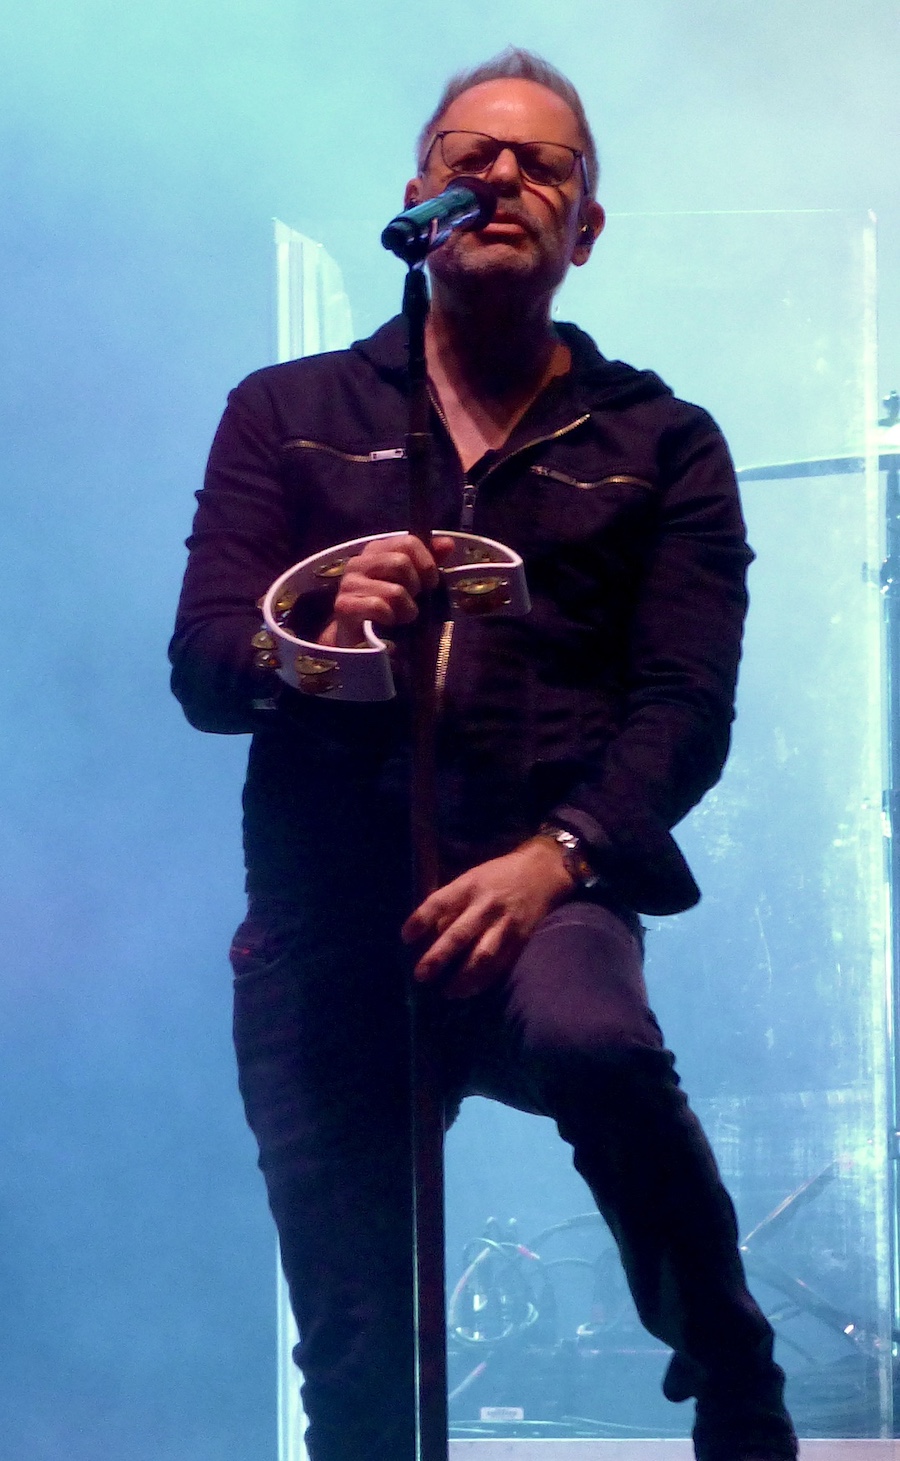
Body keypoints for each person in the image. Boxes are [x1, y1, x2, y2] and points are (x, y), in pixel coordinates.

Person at [170, 47, 797, 1461]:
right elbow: (203, 666)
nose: (502, 176)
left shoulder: (660, 441)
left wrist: (553, 861)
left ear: (587, 229)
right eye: (473, 156)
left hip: (543, 892)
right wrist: (313, 630)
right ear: (421, 199)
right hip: (331, 927)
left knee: (596, 1039)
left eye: (542, 164)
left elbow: (685, 709)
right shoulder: (288, 413)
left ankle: (731, 1368)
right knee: (359, 1367)